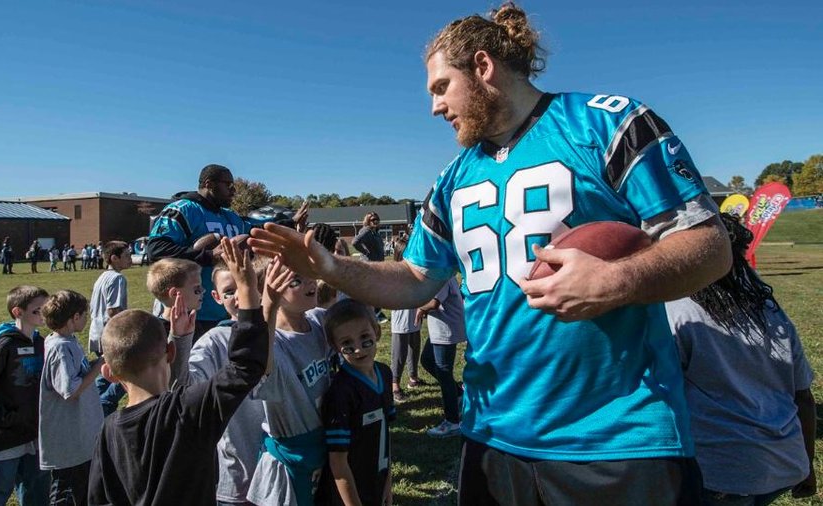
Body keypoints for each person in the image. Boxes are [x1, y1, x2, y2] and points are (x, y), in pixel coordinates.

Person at [248, 3, 732, 504]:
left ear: (483, 68)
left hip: (616, 434)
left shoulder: (605, 124)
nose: (435, 107)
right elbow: (417, 277)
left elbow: (709, 245)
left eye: (441, 87)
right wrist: (333, 267)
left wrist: (618, 280)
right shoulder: (453, 176)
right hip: (493, 435)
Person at [88, 237, 271, 506]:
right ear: (169, 354)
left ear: (109, 373)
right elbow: (245, 367)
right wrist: (247, 292)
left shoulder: (108, 430)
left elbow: (98, 498)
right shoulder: (188, 411)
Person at [666, 213, 817, 506]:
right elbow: (804, 398)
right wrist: (807, 466)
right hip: (782, 464)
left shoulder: (677, 314)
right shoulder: (771, 313)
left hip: (722, 473)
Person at [187, 255, 289, 506]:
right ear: (217, 298)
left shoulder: (282, 329)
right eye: (229, 291)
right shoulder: (212, 342)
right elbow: (186, 389)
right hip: (239, 469)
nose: (239, 295)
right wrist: (178, 340)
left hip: (283, 464)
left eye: (245, 286)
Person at [246, 269, 331, 506]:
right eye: (296, 281)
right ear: (271, 293)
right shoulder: (276, 343)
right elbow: (260, 360)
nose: (310, 281)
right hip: (292, 459)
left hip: (325, 446)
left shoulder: (319, 320)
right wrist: (268, 307)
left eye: (309, 273)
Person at [146, 164, 250, 338]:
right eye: (228, 185)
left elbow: (255, 230)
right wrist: (208, 256)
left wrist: (290, 222)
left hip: (229, 310)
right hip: (189, 314)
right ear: (209, 184)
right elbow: (156, 249)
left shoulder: (231, 216)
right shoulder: (183, 209)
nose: (233, 191)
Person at [0, 286, 50, 506]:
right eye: (37, 310)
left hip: (34, 435)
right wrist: (4, 418)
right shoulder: (5, 344)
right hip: (5, 439)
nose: (43, 314)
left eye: (47, 308)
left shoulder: (42, 343)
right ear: (18, 312)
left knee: (37, 490)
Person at [318, 299, 396, 506]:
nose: (359, 350)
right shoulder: (340, 393)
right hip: (351, 492)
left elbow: (385, 432)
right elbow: (338, 462)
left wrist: (388, 480)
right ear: (335, 347)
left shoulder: (385, 374)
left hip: (376, 482)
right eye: (347, 344)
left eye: (365, 339)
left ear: (377, 332)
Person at [38, 290, 104, 505]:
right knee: (65, 492)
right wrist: (98, 367)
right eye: (85, 314)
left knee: (82, 489)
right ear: (75, 317)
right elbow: (70, 391)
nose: (87, 318)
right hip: (69, 440)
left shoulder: (68, 341)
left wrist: (100, 362)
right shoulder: (60, 347)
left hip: (80, 436)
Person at [416, 277, 466, 437]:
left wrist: (419, 307)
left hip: (446, 330)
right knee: (427, 360)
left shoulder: (441, 276)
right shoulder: (439, 274)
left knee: (443, 372)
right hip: (439, 330)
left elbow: (434, 303)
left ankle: (452, 422)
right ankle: (458, 394)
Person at [88, 240, 132, 416]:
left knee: (106, 374)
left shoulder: (102, 276)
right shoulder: (117, 278)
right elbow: (113, 309)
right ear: (114, 258)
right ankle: (103, 409)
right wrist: (129, 327)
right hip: (111, 334)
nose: (130, 259)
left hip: (97, 331)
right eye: (127, 256)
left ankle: (91, 408)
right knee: (125, 374)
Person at [389, 237, 423, 404]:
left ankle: (413, 377)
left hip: (414, 313)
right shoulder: (395, 273)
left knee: (414, 345)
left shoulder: (415, 270)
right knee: (399, 351)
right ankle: (394, 384)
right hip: (401, 317)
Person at [146, 258, 205, 338]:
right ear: (174, 293)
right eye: (196, 288)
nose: (203, 290)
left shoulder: (194, 325)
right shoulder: (156, 335)